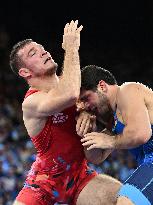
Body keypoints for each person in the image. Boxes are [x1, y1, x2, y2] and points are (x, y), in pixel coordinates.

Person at [9, 21, 121, 205]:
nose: (43, 52)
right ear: (25, 72)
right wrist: (71, 47)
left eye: (42, 48)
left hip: (79, 177)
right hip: (43, 184)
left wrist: (88, 115)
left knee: (124, 198)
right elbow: (68, 94)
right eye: (33, 53)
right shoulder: (31, 102)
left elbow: (95, 157)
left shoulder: (79, 90)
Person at [79, 64, 153, 205]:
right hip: (147, 163)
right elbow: (95, 157)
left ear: (102, 86)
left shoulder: (128, 90)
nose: (85, 106)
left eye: (86, 98)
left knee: (127, 200)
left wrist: (111, 140)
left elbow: (141, 134)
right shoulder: (113, 120)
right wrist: (87, 130)